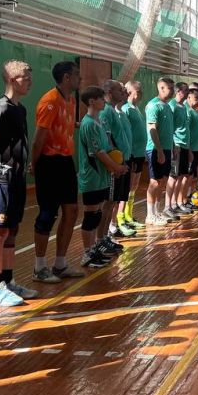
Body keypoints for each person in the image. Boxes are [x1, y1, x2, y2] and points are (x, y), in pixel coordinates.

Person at [0, 61, 35, 307]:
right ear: (13, 80)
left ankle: (8, 281)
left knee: (11, 230)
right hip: (1, 179)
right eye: (26, 77)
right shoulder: (1, 108)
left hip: (17, 178)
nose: (30, 81)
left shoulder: (20, 109)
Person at [31, 61, 83, 282]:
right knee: (47, 214)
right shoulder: (49, 101)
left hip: (65, 162)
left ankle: (60, 264)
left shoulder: (70, 100)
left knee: (71, 210)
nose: (80, 78)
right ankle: (39, 268)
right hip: (49, 163)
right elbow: (38, 140)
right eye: (77, 75)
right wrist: (35, 166)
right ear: (66, 77)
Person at [77, 86, 128, 267]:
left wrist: (117, 164)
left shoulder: (98, 122)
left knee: (97, 213)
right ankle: (87, 254)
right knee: (91, 216)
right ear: (92, 101)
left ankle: (95, 248)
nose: (104, 101)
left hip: (102, 176)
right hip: (92, 176)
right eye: (100, 98)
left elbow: (107, 148)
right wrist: (116, 167)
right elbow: (98, 152)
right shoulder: (89, 124)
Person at [102, 79, 137, 239]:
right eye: (120, 90)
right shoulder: (106, 111)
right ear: (109, 93)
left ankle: (112, 228)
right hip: (115, 164)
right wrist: (116, 164)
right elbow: (108, 139)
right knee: (108, 202)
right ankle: (104, 236)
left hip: (124, 160)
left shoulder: (116, 112)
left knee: (115, 200)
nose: (124, 93)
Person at [145, 77, 176, 225]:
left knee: (163, 181)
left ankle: (157, 212)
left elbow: (169, 130)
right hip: (155, 149)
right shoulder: (153, 105)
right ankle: (150, 215)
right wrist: (159, 150)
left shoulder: (167, 106)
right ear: (161, 88)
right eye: (170, 88)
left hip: (167, 149)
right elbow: (152, 129)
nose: (173, 91)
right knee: (155, 182)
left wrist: (172, 147)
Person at [118, 81, 147, 230]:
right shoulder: (126, 109)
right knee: (127, 186)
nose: (140, 93)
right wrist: (132, 153)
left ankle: (129, 215)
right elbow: (125, 133)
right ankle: (120, 217)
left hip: (140, 152)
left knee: (134, 186)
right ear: (129, 92)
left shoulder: (136, 109)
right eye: (138, 91)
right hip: (133, 153)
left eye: (141, 91)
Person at [166, 82, 193, 217]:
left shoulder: (183, 107)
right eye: (186, 90)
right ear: (178, 91)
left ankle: (177, 203)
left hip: (185, 146)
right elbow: (170, 128)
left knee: (182, 175)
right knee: (173, 176)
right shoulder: (172, 105)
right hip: (176, 145)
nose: (188, 93)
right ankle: (168, 206)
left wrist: (189, 149)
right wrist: (173, 146)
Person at [184, 85, 198, 209]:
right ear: (188, 97)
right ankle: (185, 199)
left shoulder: (195, 111)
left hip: (197, 148)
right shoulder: (187, 111)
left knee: (192, 175)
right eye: (195, 98)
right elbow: (187, 132)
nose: (197, 100)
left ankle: (191, 196)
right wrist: (189, 150)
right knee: (187, 176)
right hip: (190, 149)